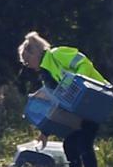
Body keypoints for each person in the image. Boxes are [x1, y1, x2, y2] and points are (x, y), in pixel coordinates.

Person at [18, 30, 108, 167]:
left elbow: (84, 63)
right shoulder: (46, 75)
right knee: (70, 144)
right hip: (80, 108)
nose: (27, 65)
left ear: (34, 53)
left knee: (84, 143)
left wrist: (77, 84)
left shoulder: (57, 55)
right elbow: (55, 105)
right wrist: (45, 132)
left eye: (27, 60)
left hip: (94, 97)